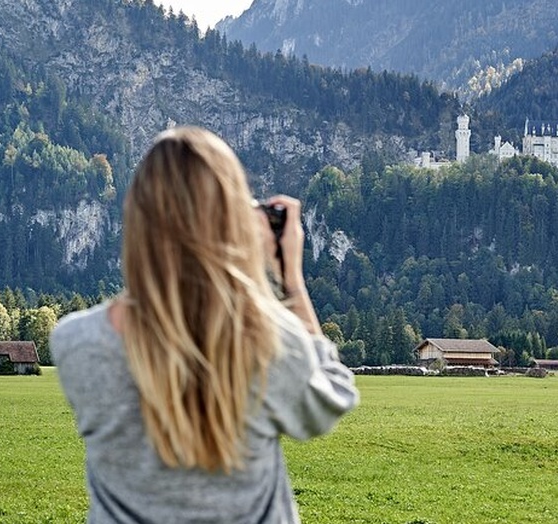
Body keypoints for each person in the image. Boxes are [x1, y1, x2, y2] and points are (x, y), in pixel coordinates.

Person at [51, 126, 358, 523]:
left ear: (139, 221)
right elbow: (329, 399)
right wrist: (290, 279)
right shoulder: (267, 343)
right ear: (233, 223)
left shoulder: (76, 343)